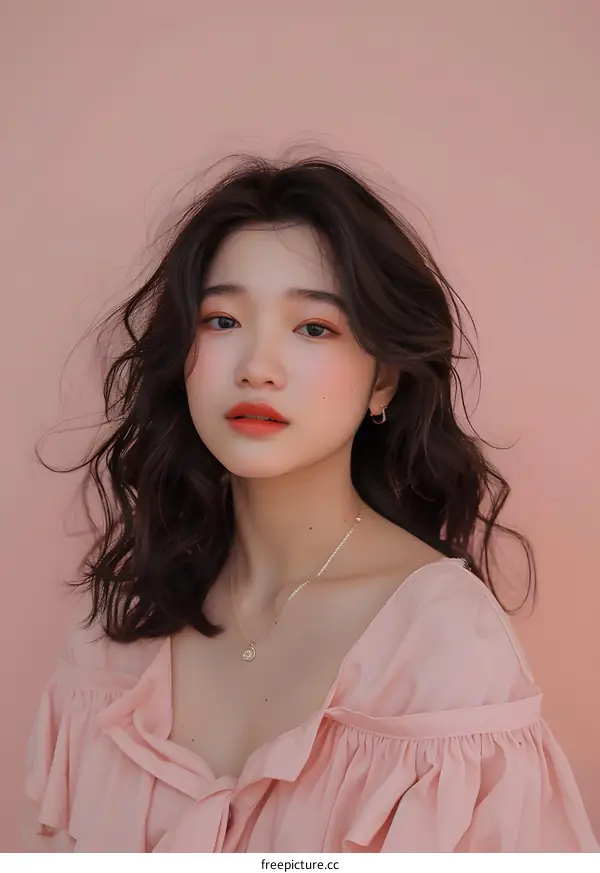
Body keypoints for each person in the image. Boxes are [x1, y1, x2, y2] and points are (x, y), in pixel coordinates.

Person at [22, 153, 597, 852]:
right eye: (222, 320)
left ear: (383, 380)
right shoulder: (118, 627)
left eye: (314, 327)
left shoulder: (440, 644)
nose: (257, 367)